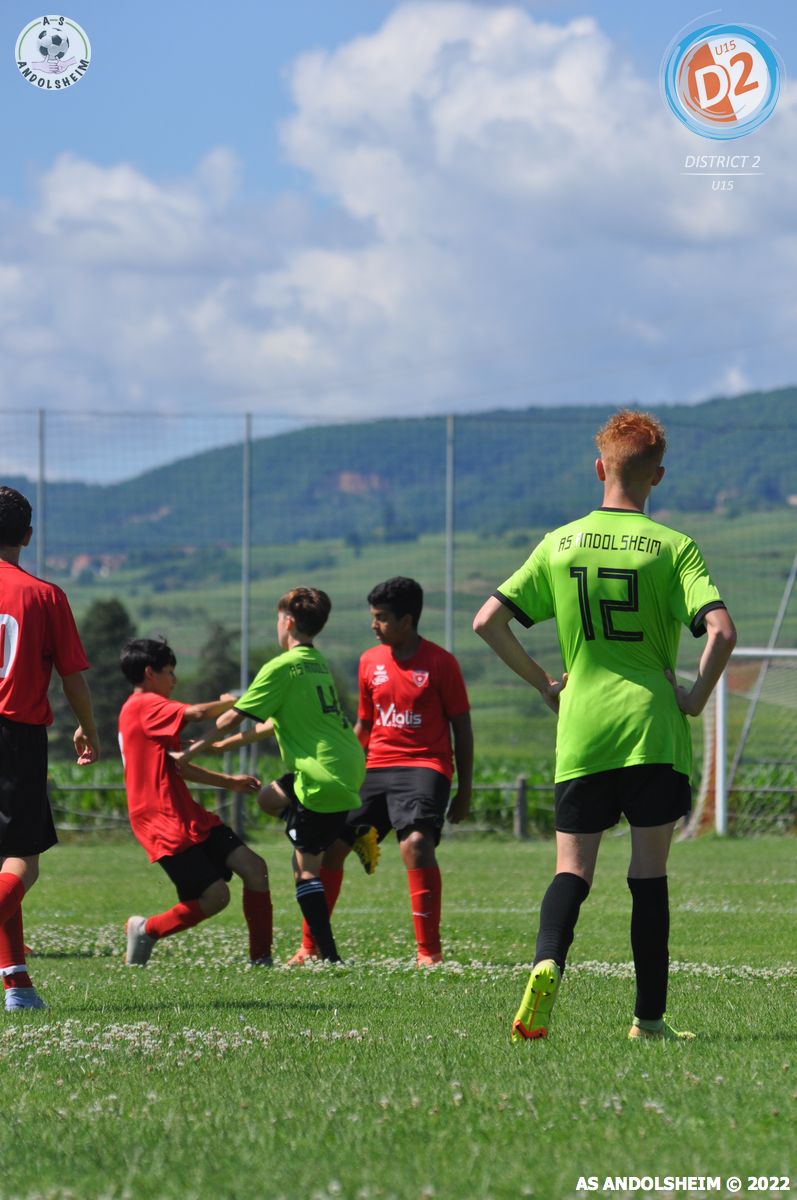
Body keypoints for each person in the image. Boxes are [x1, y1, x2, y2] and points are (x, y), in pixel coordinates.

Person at [474, 409, 736, 1041]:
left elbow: (487, 621)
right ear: (658, 476)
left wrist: (544, 683)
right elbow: (722, 632)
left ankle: (547, 962)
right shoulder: (673, 547)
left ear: (600, 469)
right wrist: (694, 699)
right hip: (652, 731)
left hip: (583, 730)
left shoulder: (560, 543)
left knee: (572, 870)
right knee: (648, 878)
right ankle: (649, 1020)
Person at [289, 576, 473, 968]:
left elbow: (462, 728)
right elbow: (364, 725)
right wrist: (337, 771)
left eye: (382, 617)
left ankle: (429, 953)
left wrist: (465, 791)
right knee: (330, 847)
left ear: (407, 620)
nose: (374, 625)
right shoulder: (369, 661)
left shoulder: (441, 663)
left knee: (416, 845)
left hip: (425, 766)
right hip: (374, 768)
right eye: (373, 616)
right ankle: (310, 947)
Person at [209, 588, 366, 964]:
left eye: (278, 619)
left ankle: (327, 957)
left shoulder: (283, 667)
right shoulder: (316, 663)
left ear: (289, 622)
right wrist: (223, 747)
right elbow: (273, 723)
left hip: (320, 776)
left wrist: (195, 745)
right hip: (343, 764)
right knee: (268, 798)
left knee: (304, 871)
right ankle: (326, 829)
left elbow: (228, 718)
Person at [0, 485, 99, 1010]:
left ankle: (18, 987)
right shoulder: (45, 595)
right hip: (15, 737)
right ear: (28, 536)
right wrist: (89, 728)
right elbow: (72, 677)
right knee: (22, 862)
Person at [118, 637, 270, 967]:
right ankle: (146, 929)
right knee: (215, 897)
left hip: (184, 813)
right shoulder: (145, 704)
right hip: (161, 820)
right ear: (150, 673)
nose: (174, 680)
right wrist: (233, 703)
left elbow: (180, 763)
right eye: (170, 672)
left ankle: (262, 960)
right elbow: (198, 713)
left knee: (255, 868)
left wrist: (229, 782)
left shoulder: (148, 713)